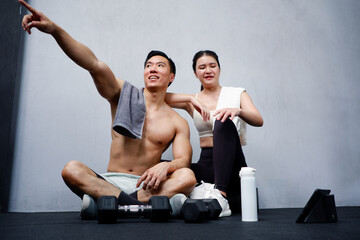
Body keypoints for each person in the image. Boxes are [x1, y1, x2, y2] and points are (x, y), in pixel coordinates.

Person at [19, 0, 197, 219]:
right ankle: (137, 206)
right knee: (71, 169)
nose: (152, 68)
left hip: (147, 185)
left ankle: (109, 204)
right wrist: (55, 30)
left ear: (171, 77)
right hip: (109, 181)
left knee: (187, 176)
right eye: (148, 65)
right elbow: (93, 64)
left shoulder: (177, 121)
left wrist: (166, 167)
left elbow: (183, 161)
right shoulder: (123, 94)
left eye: (160, 65)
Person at [165, 50, 263, 217]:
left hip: (232, 164)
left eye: (212, 66)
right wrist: (190, 99)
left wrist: (237, 111)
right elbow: (157, 97)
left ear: (219, 69)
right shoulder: (193, 101)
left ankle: (221, 195)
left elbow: (258, 120)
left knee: (222, 120)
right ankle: (202, 194)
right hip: (206, 165)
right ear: (195, 73)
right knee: (162, 166)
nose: (208, 70)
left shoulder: (237, 93)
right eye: (202, 67)